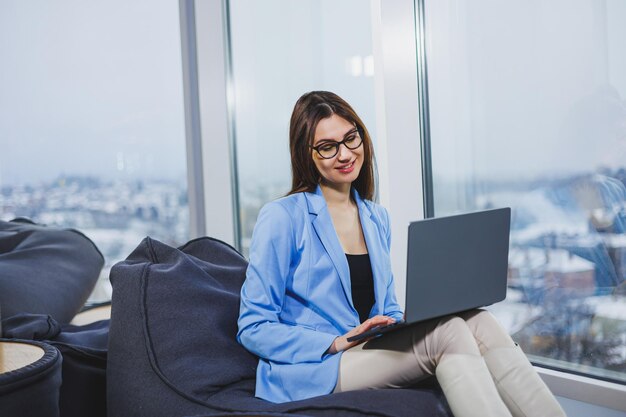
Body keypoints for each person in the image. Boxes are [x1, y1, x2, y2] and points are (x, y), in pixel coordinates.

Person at [237, 91, 566, 417]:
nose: (345, 153)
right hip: (318, 366)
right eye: (328, 146)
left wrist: (406, 319)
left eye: (351, 138)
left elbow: (386, 306)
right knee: (449, 333)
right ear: (306, 154)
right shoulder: (283, 216)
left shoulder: (375, 217)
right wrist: (336, 341)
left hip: (367, 348)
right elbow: (253, 326)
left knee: (480, 321)